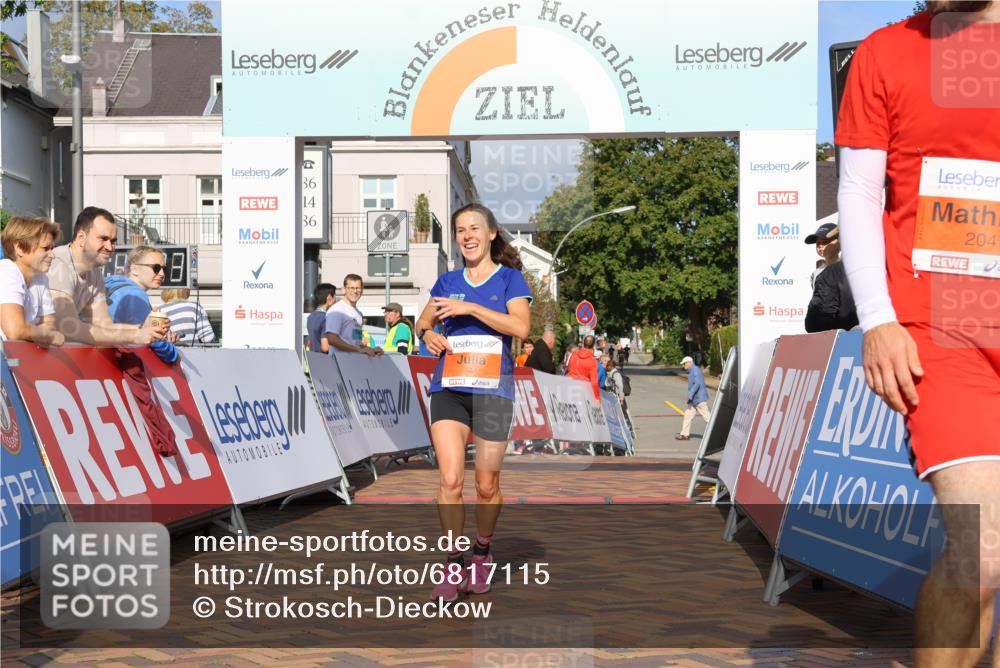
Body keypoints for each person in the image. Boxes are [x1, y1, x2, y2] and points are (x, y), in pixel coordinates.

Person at [836, 2, 1000, 663]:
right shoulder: (888, 52)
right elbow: (858, 194)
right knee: (984, 549)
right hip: (942, 324)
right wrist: (877, 320)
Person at [414, 203, 531, 602]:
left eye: (475, 228)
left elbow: (520, 327)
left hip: (493, 392)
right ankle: (452, 563)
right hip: (449, 386)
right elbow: (422, 323)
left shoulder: (510, 279)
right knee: (449, 479)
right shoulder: (446, 281)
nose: (467, 236)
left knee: (486, 485)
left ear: (492, 233)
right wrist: (427, 335)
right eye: (460, 229)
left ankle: (481, 549)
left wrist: (471, 308)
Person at [48, 206, 165, 346]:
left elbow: (104, 324)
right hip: (26, 357)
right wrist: (134, 335)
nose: (110, 247)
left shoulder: (94, 271)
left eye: (113, 241)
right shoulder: (59, 263)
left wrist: (144, 329)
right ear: (81, 237)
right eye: (103, 239)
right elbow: (70, 328)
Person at [105, 246, 180, 364]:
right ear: (134, 269)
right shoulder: (135, 294)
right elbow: (153, 340)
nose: (162, 274)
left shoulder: (109, 285)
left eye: (164, 269)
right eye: (156, 268)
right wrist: (175, 355)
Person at [0, 216, 64, 347]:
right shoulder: (6, 272)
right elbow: (15, 330)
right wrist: (48, 335)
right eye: (45, 248)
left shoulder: (40, 277)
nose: (52, 255)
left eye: (52, 248)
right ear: (20, 248)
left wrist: (43, 333)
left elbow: (48, 323)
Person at [804, 223, 859, 333]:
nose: (820, 246)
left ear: (839, 242)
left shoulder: (851, 269)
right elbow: (819, 304)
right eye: (817, 243)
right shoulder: (816, 273)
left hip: (852, 328)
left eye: (825, 242)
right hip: (829, 332)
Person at [325, 274, 382, 357]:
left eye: (358, 288)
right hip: (339, 362)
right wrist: (358, 350)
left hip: (354, 361)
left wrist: (370, 349)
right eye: (351, 288)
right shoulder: (337, 310)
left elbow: (356, 342)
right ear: (344, 289)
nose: (355, 291)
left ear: (362, 290)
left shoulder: (358, 313)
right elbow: (332, 339)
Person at [676, 356, 710, 441]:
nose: (683, 366)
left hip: (699, 399)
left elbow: (697, 384)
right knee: (688, 415)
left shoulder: (695, 370)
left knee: (707, 417)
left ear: (689, 363)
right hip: (694, 399)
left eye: (684, 364)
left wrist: (690, 394)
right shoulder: (692, 371)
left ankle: (718, 433)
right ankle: (684, 434)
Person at [567, 335, 601, 400]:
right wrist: (597, 398)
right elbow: (594, 382)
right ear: (593, 345)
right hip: (582, 390)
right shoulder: (592, 361)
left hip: (569, 386)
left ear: (583, 344)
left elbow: (569, 369)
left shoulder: (574, 355)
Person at [306, 283, 336, 353]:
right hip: (326, 360)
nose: (335, 300)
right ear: (329, 298)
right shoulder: (326, 318)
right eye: (335, 297)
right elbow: (325, 347)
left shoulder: (311, 317)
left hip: (313, 359)